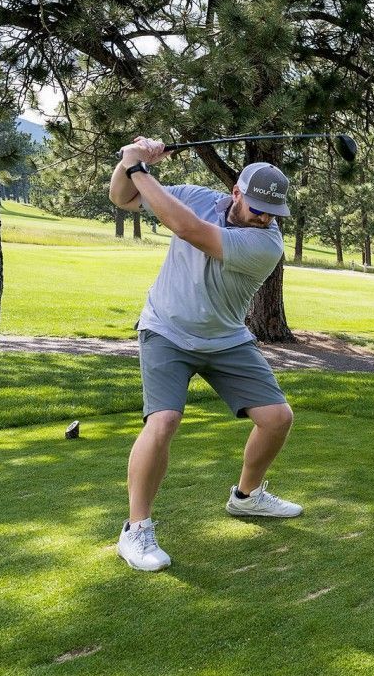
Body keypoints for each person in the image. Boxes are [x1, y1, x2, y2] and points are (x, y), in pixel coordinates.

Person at [108, 136, 304, 572]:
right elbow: (123, 198)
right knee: (164, 420)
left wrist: (141, 167)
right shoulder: (197, 197)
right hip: (167, 328)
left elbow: (189, 230)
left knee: (277, 418)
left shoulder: (267, 245)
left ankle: (247, 497)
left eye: (273, 212)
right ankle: (136, 530)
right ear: (236, 192)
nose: (264, 217)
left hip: (225, 337)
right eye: (257, 207)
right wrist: (128, 163)